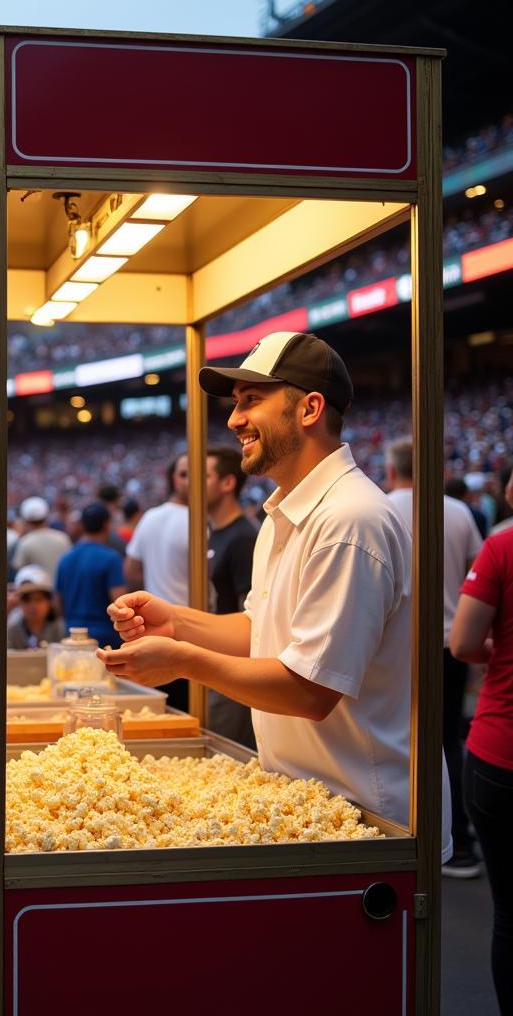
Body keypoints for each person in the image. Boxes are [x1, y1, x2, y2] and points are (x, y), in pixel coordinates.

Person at [99, 330, 452, 855]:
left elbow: (309, 691)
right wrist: (178, 621)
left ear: (309, 409)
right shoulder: (286, 513)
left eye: (251, 401)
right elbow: (263, 630)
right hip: (310, 803)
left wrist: (184, 660)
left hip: (369, 818)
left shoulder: (349, 519)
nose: (234, 419)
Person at [388, 438, 482, 877]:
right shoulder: (459, 512)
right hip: (449, 641)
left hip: (401, 644)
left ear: (392, 471)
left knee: (403, 738)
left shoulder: (381, 508)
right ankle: (459, 842)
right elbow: (476, 579)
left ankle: (410, 835)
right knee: (449, 740)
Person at [450, 520, 513, 1015]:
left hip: (501, 753)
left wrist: (498, 653)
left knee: (510, 916)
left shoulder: (504, 548)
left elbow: (464, 642)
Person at [125, 456, 190, 709]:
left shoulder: (150, 517)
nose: (191, 480)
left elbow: (131, 570)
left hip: (156, 627)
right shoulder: (201, 520)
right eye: (184, 474)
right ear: (173, 478)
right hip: (190, 629)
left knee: (160, 707)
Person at [205, 446, 258, 749]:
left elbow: (250, 616)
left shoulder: (242, 537)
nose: (192, 482)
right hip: (216, 663)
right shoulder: (216, 532)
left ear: (227, 483)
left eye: (205, 475)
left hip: (232, 669)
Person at [55, 502, 127, 649]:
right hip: (106, 639)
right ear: (107, 525)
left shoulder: (65, 558)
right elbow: (119, 603)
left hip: (72, 636)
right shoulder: (111, 559)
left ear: (82, 525)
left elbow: (57, 603)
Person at [11, 496, 72, 583]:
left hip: (38, 594)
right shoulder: (63, 538)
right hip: (62, 592)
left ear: (25, 519)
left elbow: (18, 572)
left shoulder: (25, 542)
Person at [7, 565, 66, 649]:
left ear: (49, 601)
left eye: (38, 599)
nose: (33, 605)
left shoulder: (59, 628)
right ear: (19, 602)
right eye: (27, 600)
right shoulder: (12, 628)